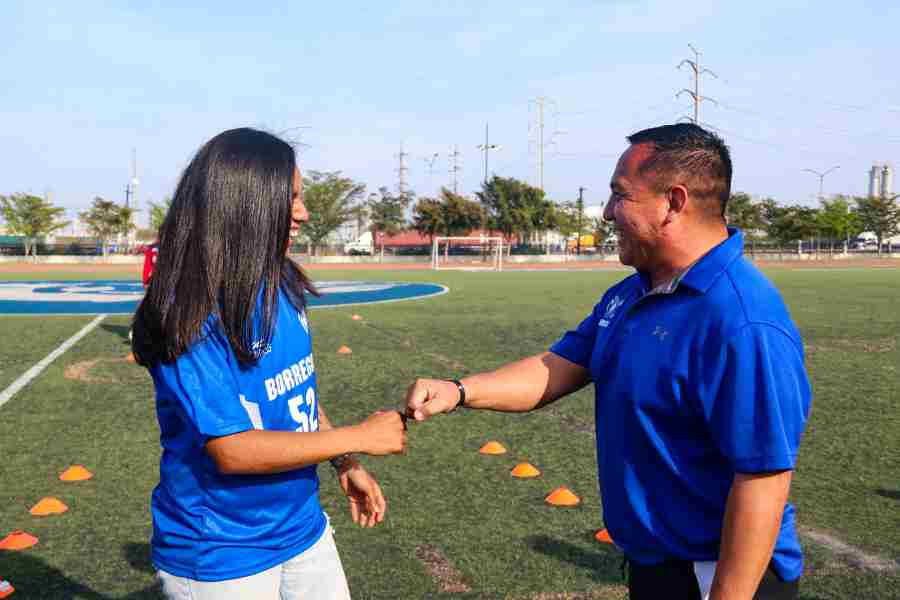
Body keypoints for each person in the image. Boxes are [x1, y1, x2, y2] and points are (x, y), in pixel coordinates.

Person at [405, 123, 811, 600]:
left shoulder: (741, 321)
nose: (606, 213)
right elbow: (557, 367)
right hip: (656, 567)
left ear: (673, 202)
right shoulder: (634, 291)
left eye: (621, 195)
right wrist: (459, 391)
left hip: (720, 576)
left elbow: (762, 479)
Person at [132, 128, 406, 600]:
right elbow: (232, 449)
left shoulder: (281, 280)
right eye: (293, 197)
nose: (303, 211)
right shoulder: (188, 311)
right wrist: (360, 436)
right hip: (221, 552)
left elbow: (294, 391)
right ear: (248, 202)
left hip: (303, 528)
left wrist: (344, 459)